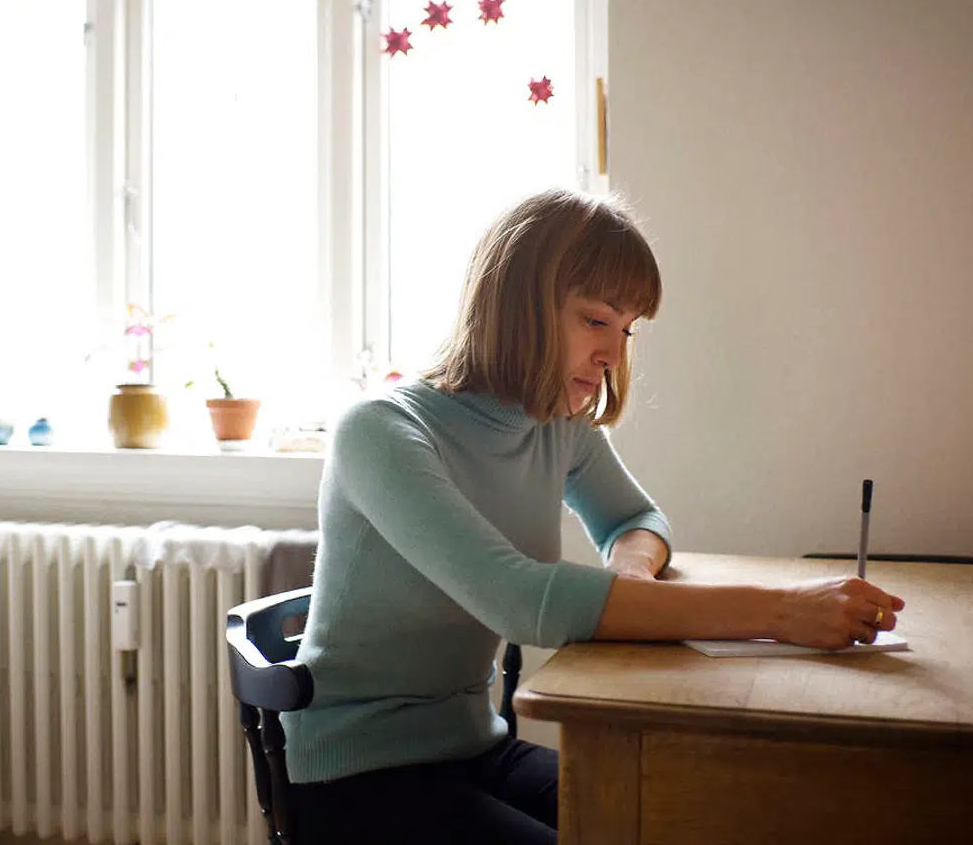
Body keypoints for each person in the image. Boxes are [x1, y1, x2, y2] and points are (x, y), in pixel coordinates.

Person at [282, 188, 905, 844]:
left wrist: (632, 568)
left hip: (474, 747)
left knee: (681, 823)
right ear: (518, 305)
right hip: (355, 776)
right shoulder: (380, 431)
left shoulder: (556, 424)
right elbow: (520, 601)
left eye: (626, 329)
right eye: (596, 320)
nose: (613, 353)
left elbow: (637, 517)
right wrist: (782, 612)